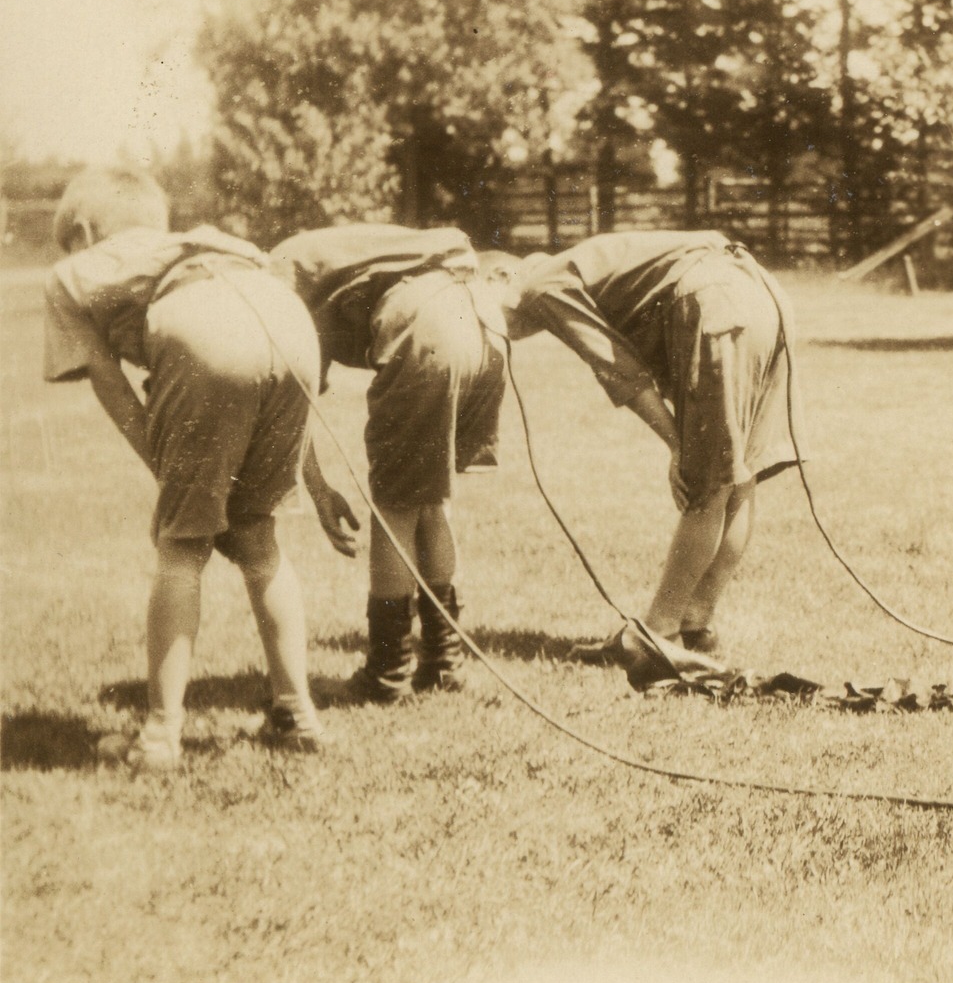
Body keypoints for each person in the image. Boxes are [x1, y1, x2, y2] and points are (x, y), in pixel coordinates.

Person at [43, 167, 329, 773]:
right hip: (290, 322)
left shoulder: (72, 273)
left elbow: (112, 385)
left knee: (181, 545)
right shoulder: (210, 239)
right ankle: (297, 711)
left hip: (202, 326)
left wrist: (169, 471)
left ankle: (160, 736)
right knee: (257, 538)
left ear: (85, 230)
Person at [497, 230, 802, 687]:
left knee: (709, 483)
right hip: (763, 297)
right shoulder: (583, 268)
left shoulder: (540, 284)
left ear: (499, 275)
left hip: (718, 302)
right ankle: (694, 625)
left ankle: (658, 633)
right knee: (738, 478)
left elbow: (617, 366)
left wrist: (677, 442)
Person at [268, 223, 507, 703]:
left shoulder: (273, 280)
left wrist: (318, 491)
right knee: (431, 501)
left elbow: (291, 405)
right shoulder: (319, 258)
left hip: (430, 326)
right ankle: (443, 663)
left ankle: (387, 673)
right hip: (485, 323)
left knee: (394, 507)